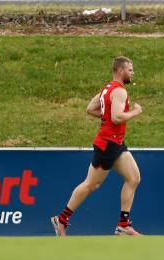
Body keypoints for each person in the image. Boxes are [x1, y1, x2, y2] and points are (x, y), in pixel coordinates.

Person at [51, 56, 143, 237]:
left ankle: (123, 225)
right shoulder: (119, 92)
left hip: (115, 142)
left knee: (134, 178)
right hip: (108, 144)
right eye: (130, 70)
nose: (132, 73)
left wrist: (107, 118)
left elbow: (90, 109)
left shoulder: (107, 89)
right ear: (121, 70)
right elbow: (117, 117)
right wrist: (135, 112)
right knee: (91, 184)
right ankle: (61, 219)